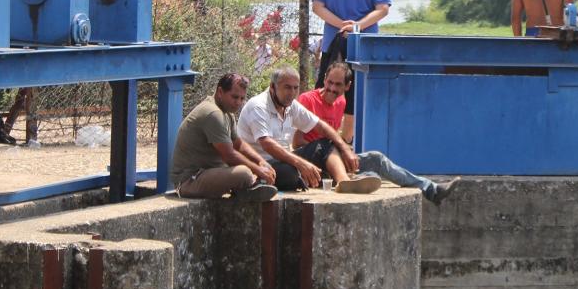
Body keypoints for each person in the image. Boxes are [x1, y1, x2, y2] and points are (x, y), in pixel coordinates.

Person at [295, 62, 461, 205]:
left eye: (338, 85)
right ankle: (346, 179)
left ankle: (431, 189)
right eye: (329, 82)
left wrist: (342, 154)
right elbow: (297, 142)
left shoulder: (341, 102)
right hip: (312, 159)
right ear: (324, 79)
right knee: (329, 145)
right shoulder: (307, 100)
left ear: (347, 86)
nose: (332, 88)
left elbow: (338, 139)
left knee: (376, 159)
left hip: (332, 160)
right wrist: (331, 151)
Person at [237, 67, 380, 194]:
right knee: (291, 174)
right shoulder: (258, 106)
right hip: (260, 165)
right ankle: (319, 176)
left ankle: (344, 182)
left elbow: (321, 126)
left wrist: (345, 149)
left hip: (285, 159)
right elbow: (267, 143)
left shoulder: (290, 105)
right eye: (287, 87)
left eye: (295, 88)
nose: (292, 93)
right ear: (273, 87)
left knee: (325, 144)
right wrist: (301, 163)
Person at [311, 0, 392, 140]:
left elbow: (317, 7)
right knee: (357, 94)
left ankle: (318, 137)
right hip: (364, 47)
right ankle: (347, 142)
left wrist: (341, 24)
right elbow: (383, 9)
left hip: (333, 43)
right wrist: (357, 26)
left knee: (325, 90)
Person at [171, 73, 278, 200]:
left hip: (209, 172)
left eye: (242, 98)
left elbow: (239, 144)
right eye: (234, 97)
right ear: (220, 92)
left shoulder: (227, 113)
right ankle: (246, 190)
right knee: (244, 174)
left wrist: (261, 162)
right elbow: (229, 155)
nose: (238, 102)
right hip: (189, 181)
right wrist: (258, 170)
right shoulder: (213, 113)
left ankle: (246, 190)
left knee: (262, 170)